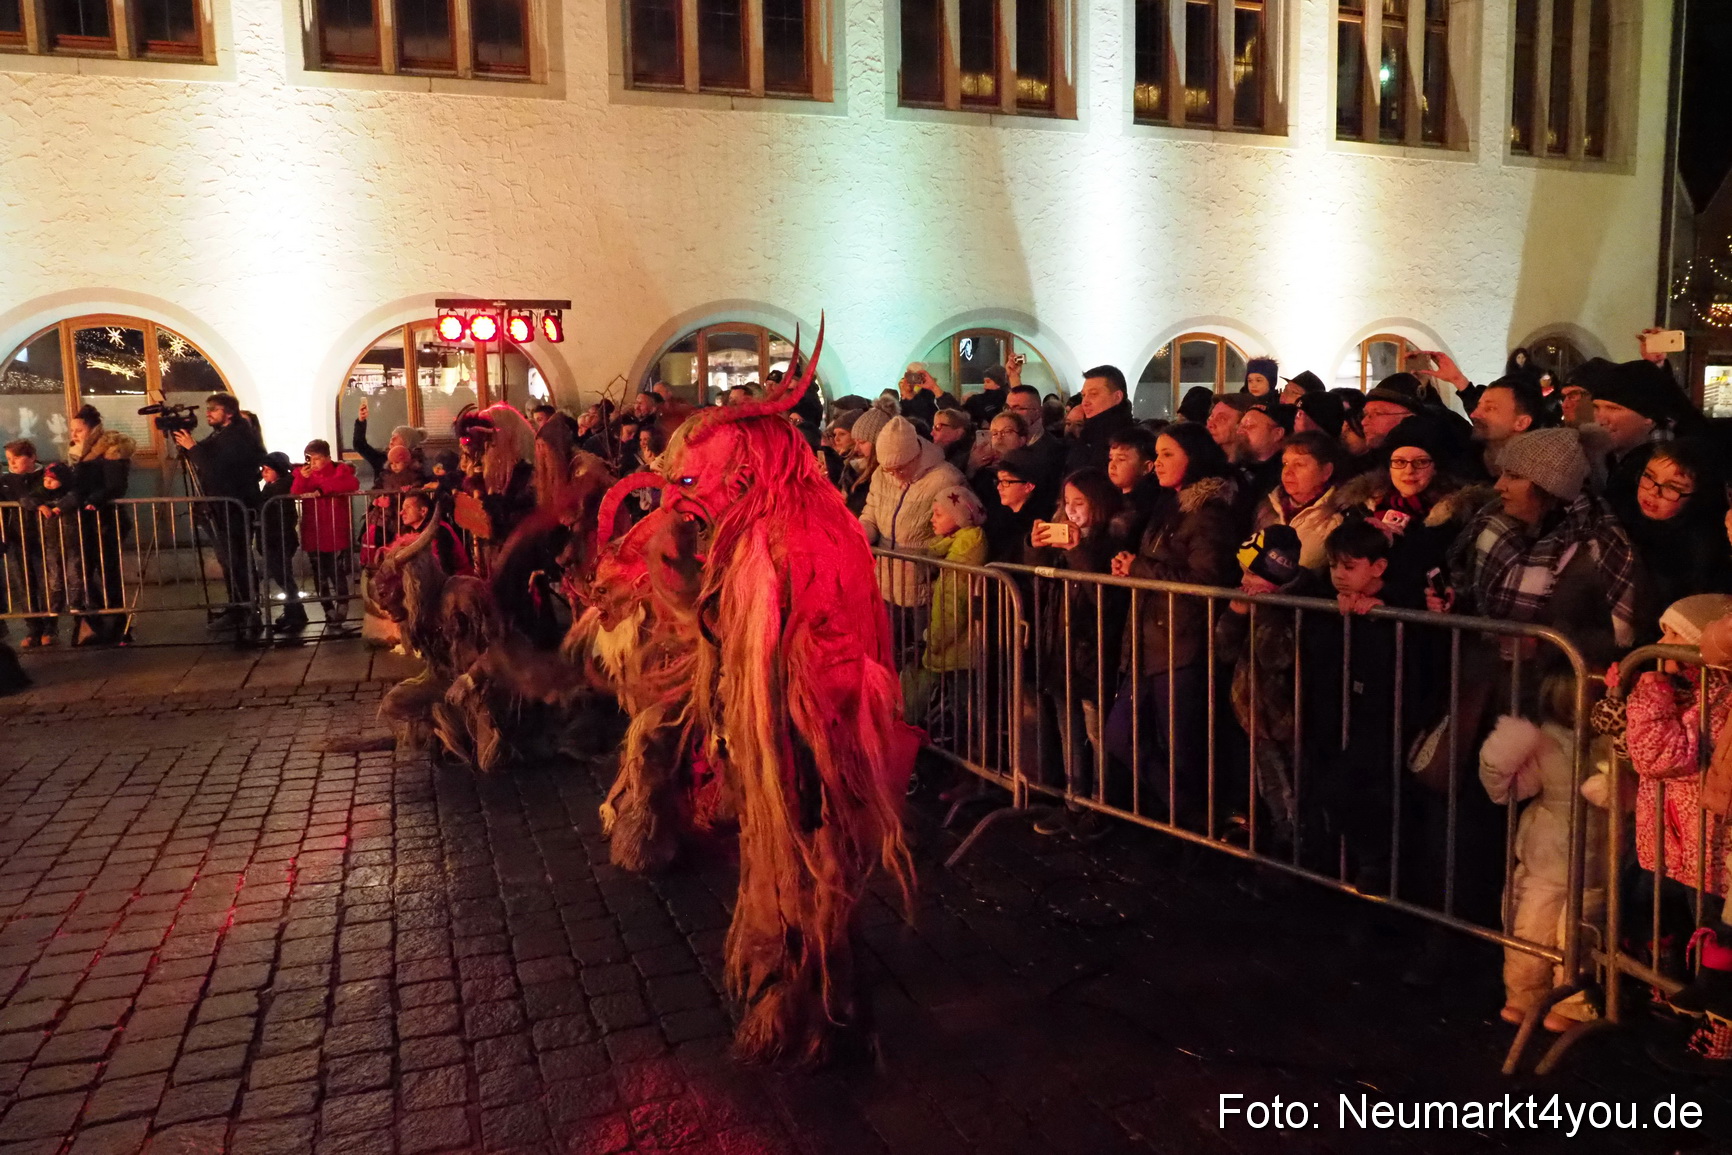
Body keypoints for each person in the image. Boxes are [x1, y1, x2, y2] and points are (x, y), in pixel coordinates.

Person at [1105, 422, 1240, 826]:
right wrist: (1131, 566)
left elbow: (1208, 581)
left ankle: (1193, 825)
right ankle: (1190, 817)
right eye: (1158, 454)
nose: (1157, 463)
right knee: (1121, 735)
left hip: (1181, 644)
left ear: (1193, 458)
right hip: (1151, 641)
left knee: (1181, 749)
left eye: (1168, 455)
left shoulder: (1208, 511)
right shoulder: (1170, 504)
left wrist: (1140, 567)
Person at [1443, 427, 1639, 670]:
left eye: (1513, 476)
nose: (1499, 485)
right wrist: (1447, 602)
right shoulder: (1490, 522)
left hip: (1555, 693)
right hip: (1488, 682)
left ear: (1549, 486)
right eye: (1502, 473)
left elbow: (1618, 640)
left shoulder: (1599, 547)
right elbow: (1469, 595)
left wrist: (1545, 643)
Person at [1478, 675, 1605, 1031]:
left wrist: (1614, 789)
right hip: (1548, 853)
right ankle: (1524, 995)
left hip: (1596, 857)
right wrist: (1499, 758)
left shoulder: (1613, 742)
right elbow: (1509, 789)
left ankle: (1573, 1002)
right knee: (1531, 927)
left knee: (1579, 931)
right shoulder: (1546, 741)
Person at [1028, 469, 1127, 841]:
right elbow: (1033, 571)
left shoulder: (1109, 538)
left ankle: (1102, 806)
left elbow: (1104, 589)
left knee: (1096, 731)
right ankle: (1073, 800)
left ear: (1098, 504)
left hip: (1090, 645)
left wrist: (1077, 549)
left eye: (1079, 503)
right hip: (1059, 644)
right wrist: (1035, 542)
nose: (1070, 511)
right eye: (1066, 503)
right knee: (1067, 729)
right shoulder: (1062, 536)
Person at [1330, 418, 1490, 606]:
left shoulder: (1455, 515)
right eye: (1399, 462)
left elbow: (1442, 575)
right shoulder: (1362, 507)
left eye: (1421, 462)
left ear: (1436, 467)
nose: (1409, 470)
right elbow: (1338, 560)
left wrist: (1386, 595)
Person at [858, 415, 965, 660]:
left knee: (921, 656)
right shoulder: (880, 475)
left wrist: (930, 562)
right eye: (889, 469)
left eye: (900, 468)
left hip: (922, 587)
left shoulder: (945, 478)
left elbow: (956, 532)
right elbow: (871, 512)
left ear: (915, 456)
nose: (894, 475)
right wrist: (860, 533)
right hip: (884, 583)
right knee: (885, 653)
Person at [1624, 440, 1732, 640]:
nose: (1653, 492)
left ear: (1697, 497)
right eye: (1649, 477)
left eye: (1672, 487)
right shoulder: (1624, 517)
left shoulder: (1702, 548)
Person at [174, 393, 262, 626]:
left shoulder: (238, 437)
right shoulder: (222, 434)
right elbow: (207, 456)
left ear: (229, 412)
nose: (208, 413)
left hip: (232, 508)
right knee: (228, 559)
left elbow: (218, 469)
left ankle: (246, 607)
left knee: (236, 559)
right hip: (219, 507)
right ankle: (237, 605)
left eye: (214, 408)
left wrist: (193, 448)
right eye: (208, 408)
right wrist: (190, 446)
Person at [914, 484, 988, 745]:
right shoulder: (953, 550)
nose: (932, 519)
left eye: (938, 514)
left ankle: (969, 761)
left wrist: (934, 640)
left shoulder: (962, 558)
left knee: (965, 712)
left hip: (959, 650)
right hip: (955, 649)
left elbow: (952, 607)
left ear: (958, 518)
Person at [1592, 359, 1695, 531]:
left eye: (1613, 408)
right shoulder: (1612, 457)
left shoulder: (1669, 467)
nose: (1600, 419)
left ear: (1649, 417)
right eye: (1596, 407)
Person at [65, 405, 135, 645]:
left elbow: (116, 485)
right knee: (83, 573)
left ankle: (116, 626)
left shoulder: (111, 449)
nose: (74, 434)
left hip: (104, 519)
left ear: (93, 429)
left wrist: (95, 499)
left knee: (107, 574)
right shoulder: (78, 453)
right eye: (72, 429)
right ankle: (96, 623)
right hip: (84, 519)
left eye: (79, 429)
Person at [291, 439, 360, 633]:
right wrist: (303, 478)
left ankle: (342, 605)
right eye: (310, 459)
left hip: (334, 530)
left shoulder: (341, 472)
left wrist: (322, 489)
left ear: (328, 458)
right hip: (314, 531)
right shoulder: (303, 474)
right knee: (319, 573)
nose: (313, 463)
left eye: (318, 459)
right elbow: (296, 491)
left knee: (336, 570)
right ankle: (328, 610)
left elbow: (351, 483)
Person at [1250, 431, 1342, 570]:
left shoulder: (1337, 518)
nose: (1288, 471)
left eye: (1299, 464)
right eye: (1285, 463)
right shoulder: (1268, 509)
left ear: (1326, 471)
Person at [21, 463, 81, 645]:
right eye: (46, 479)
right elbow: (25, 499)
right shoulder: (41, 492)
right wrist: (40, 505)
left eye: (52, 480)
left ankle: (77, 606)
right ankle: (54, 611)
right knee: (54, 579)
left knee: (74, 574)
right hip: (50, 543)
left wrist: (59, 507)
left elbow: (75, 497)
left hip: (71, 542)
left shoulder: (70, 491)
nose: (47, 483)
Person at [1, 440, 52, 647]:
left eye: (16, 458)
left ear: (32, 457)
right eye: (8, 459)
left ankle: (50, 627)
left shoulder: (46, 477)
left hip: (44, 536)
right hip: (16, 537)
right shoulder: (5, 480)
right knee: (24, 584)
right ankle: (32, 628)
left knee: (46, 582)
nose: (11, 463)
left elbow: (41, 495)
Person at [257, 452, 307, 635]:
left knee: (284, 578)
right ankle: (294, 612)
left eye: (268, 470)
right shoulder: (273, 487)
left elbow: (282, 516)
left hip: (278, 539)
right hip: (274, 539)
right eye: (262, 469)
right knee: (284, 578)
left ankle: (295, 613)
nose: (264, 473)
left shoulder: (279, 489)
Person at [1470, 375, 1547, 477]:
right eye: (1478, 406)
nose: (1473, 414)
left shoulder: (1538, 477)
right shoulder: (1464, 457)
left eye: (1490, 408)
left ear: (1521, 423)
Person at [1066, 365, 1135, 473]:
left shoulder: (1125, 441)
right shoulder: (1089, 433)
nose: (1085, 402)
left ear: (1117, 397)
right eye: (1083, 395)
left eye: (1093, 394)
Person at [983, 449, 1044, 563]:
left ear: (1028, 486)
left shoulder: (1037, 523)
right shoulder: (996, 517)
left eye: (1006, 482)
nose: (999, 487)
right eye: (999, 481)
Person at [1004, 384, 1067, 492]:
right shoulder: (1000, 444)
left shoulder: (1055, 451)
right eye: (1007, 408)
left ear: (1038, 411)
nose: (1010, 414)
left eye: (1018, 408)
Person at [352, 400, 427, 487]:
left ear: (408, 443)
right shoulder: (381, 459)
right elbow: (359, 445)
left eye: (397, 437)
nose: (392, 438)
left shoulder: (418, 465)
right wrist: (361, 421)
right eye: (392, 435)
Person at [1234, 401, 1292, 507]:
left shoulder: (1284, 478)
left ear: (1277, 434)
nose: (1240, 431)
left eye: (1249, 426)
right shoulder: (1237, 468)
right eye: (1240, 425)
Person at [843, 407, 889, 516]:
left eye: (862, 442)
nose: (856, 448)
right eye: (855, 442)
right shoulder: (853, 469)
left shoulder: (883, 476)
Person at [930, 408, 974, 474]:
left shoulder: (970, 456)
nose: (932, 433)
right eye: (933, 427)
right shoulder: (936, 454)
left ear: (959, 432)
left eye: (938, 427)